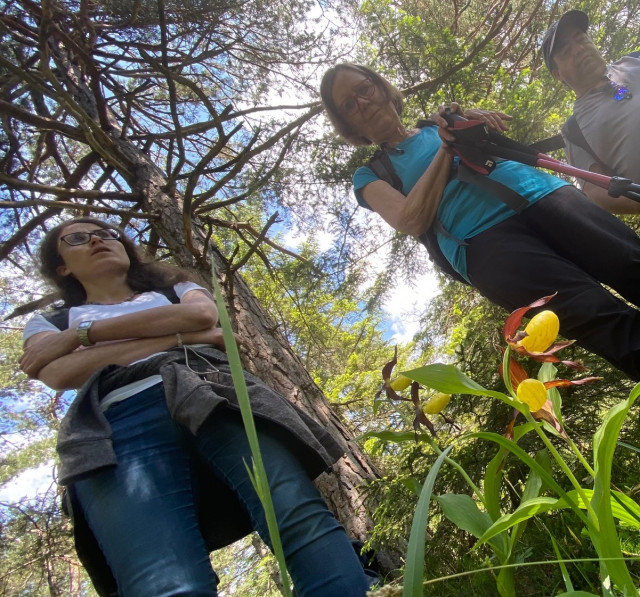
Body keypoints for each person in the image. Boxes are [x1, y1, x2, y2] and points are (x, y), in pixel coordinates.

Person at [19, 216, 374, 597]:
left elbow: (204, 315)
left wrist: (84, 335)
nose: (98, 240)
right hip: (114, 427)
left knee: (297, 519)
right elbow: (56, 371)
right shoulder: (50, 320)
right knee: (163, 579)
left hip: (215, 392)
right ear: (63, 266)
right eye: (77, 238)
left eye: (108, 234)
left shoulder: (174, 286)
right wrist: (184, 337)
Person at [320, 63, 640, 380]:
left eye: (364, 89)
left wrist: (465, 124)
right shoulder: (369, 175)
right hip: (487, 247)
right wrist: (447, 148)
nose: (362, 102)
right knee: (601, 320)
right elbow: (410, 218)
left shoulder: (437, 124)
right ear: (348, 123)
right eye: (349, 104)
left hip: (543, 192)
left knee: (632, 263)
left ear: (381, 87)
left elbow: (491, 142)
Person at [542, 9, 640, 214]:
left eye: (581, 39)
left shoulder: (634, 60)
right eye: (566, 51)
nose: (578, 49)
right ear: (557, 74)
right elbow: (597, 191)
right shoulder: (573, 131)